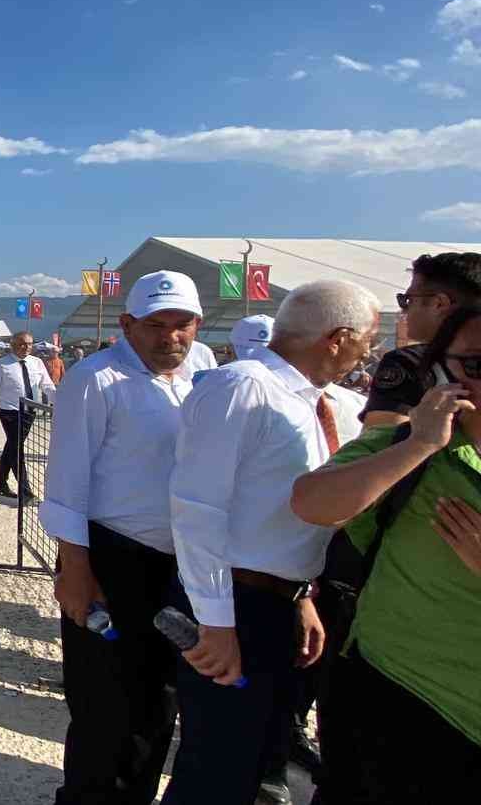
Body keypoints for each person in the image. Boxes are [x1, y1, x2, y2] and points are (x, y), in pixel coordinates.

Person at [163, 280, 381, 805]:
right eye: (368, 338)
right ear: (338, 337)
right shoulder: (242, 387)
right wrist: (215, 623)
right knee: (215, 769)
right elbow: (198, 510)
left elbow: (272, 518)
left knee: (253, 760)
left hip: (278, 604)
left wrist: (300, 595)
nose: (370, 350)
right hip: (233, 605)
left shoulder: (316, 400)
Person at [291, 306, 481, 804]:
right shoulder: (407, 446)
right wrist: (417, 446)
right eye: (476, 365)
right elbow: (312, 503)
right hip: (396, 701)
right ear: (442, 373)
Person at [39, 269, 202, 805]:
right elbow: (67, 481)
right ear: (129, 323)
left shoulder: (201, 371)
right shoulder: (94, 378)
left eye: (183, 325)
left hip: (179, 566)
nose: (170, 337)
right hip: (113, 558)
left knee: (159, 704)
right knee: (105, 706)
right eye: (156, 325)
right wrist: (76, 569)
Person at [362, 252, 481, 428]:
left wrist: (421, 443)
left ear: (439, 303)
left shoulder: (409, 362)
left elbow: (381, 444)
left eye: (407, 300)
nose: (403, 310)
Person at [0, 331, 56, 504]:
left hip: (30, 411)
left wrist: (58, 404)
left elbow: (47, 385)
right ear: (13, 345)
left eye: (29, 344)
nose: (26, 347)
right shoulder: (1, 365)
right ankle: (26, 492)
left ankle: (0, 484)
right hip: (10, 412)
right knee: (16, 449)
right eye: (22, 344)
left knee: (12, 447)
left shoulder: (37, 363)